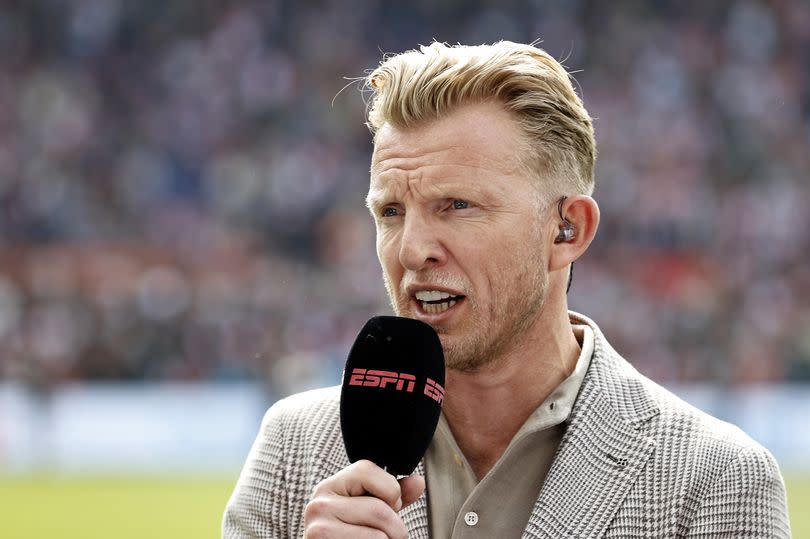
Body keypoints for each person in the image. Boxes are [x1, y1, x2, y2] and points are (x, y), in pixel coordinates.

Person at [222, 41, 791, 538]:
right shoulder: (294, 452)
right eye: (391, 212)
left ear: (568, 230)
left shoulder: (717, 481)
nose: (412, 249)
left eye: (457, 206)